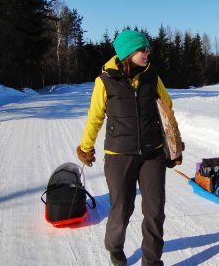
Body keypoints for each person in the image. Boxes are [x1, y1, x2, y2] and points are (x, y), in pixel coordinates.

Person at [76, 29, 181, 266]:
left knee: (155, 212)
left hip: (152, 153)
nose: (147, 52)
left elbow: (167, 109)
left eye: (148, 48)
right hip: (119, 155)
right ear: (127, 52)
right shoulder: (105, 81)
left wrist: (173, 146)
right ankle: (114, 247)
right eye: (142, 49)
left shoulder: (152, 76)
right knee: (121, 209)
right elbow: (95, 117)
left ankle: (152, 261)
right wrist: (86, 147)